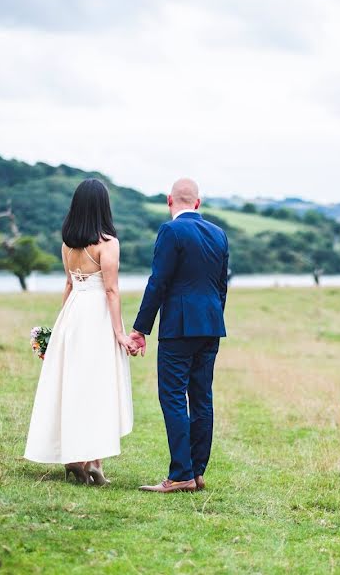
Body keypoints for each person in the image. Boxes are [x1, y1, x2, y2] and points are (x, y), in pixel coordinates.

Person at [24, 178, 136, 485]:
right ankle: (94, 460)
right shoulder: (108, 244)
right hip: (97, 317)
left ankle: (76, 459)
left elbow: (70, 284)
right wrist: (119, 333)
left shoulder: (67, 245)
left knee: (73, 385)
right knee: (97, 386)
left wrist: (59, 328)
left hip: (73, 315)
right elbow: (111, 291)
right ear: (103, 207)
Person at [130, 178, 229, 493]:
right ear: (198, 203)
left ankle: (181, 474)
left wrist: (140, 328)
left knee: (172, 395)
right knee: (202, 397)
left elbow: (158, 282)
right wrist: (213, 318)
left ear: (169, 200)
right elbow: (221, 287)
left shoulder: (170, 231)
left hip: (179, 328)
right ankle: (197, 472)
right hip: (211, 325)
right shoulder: (219, 234)